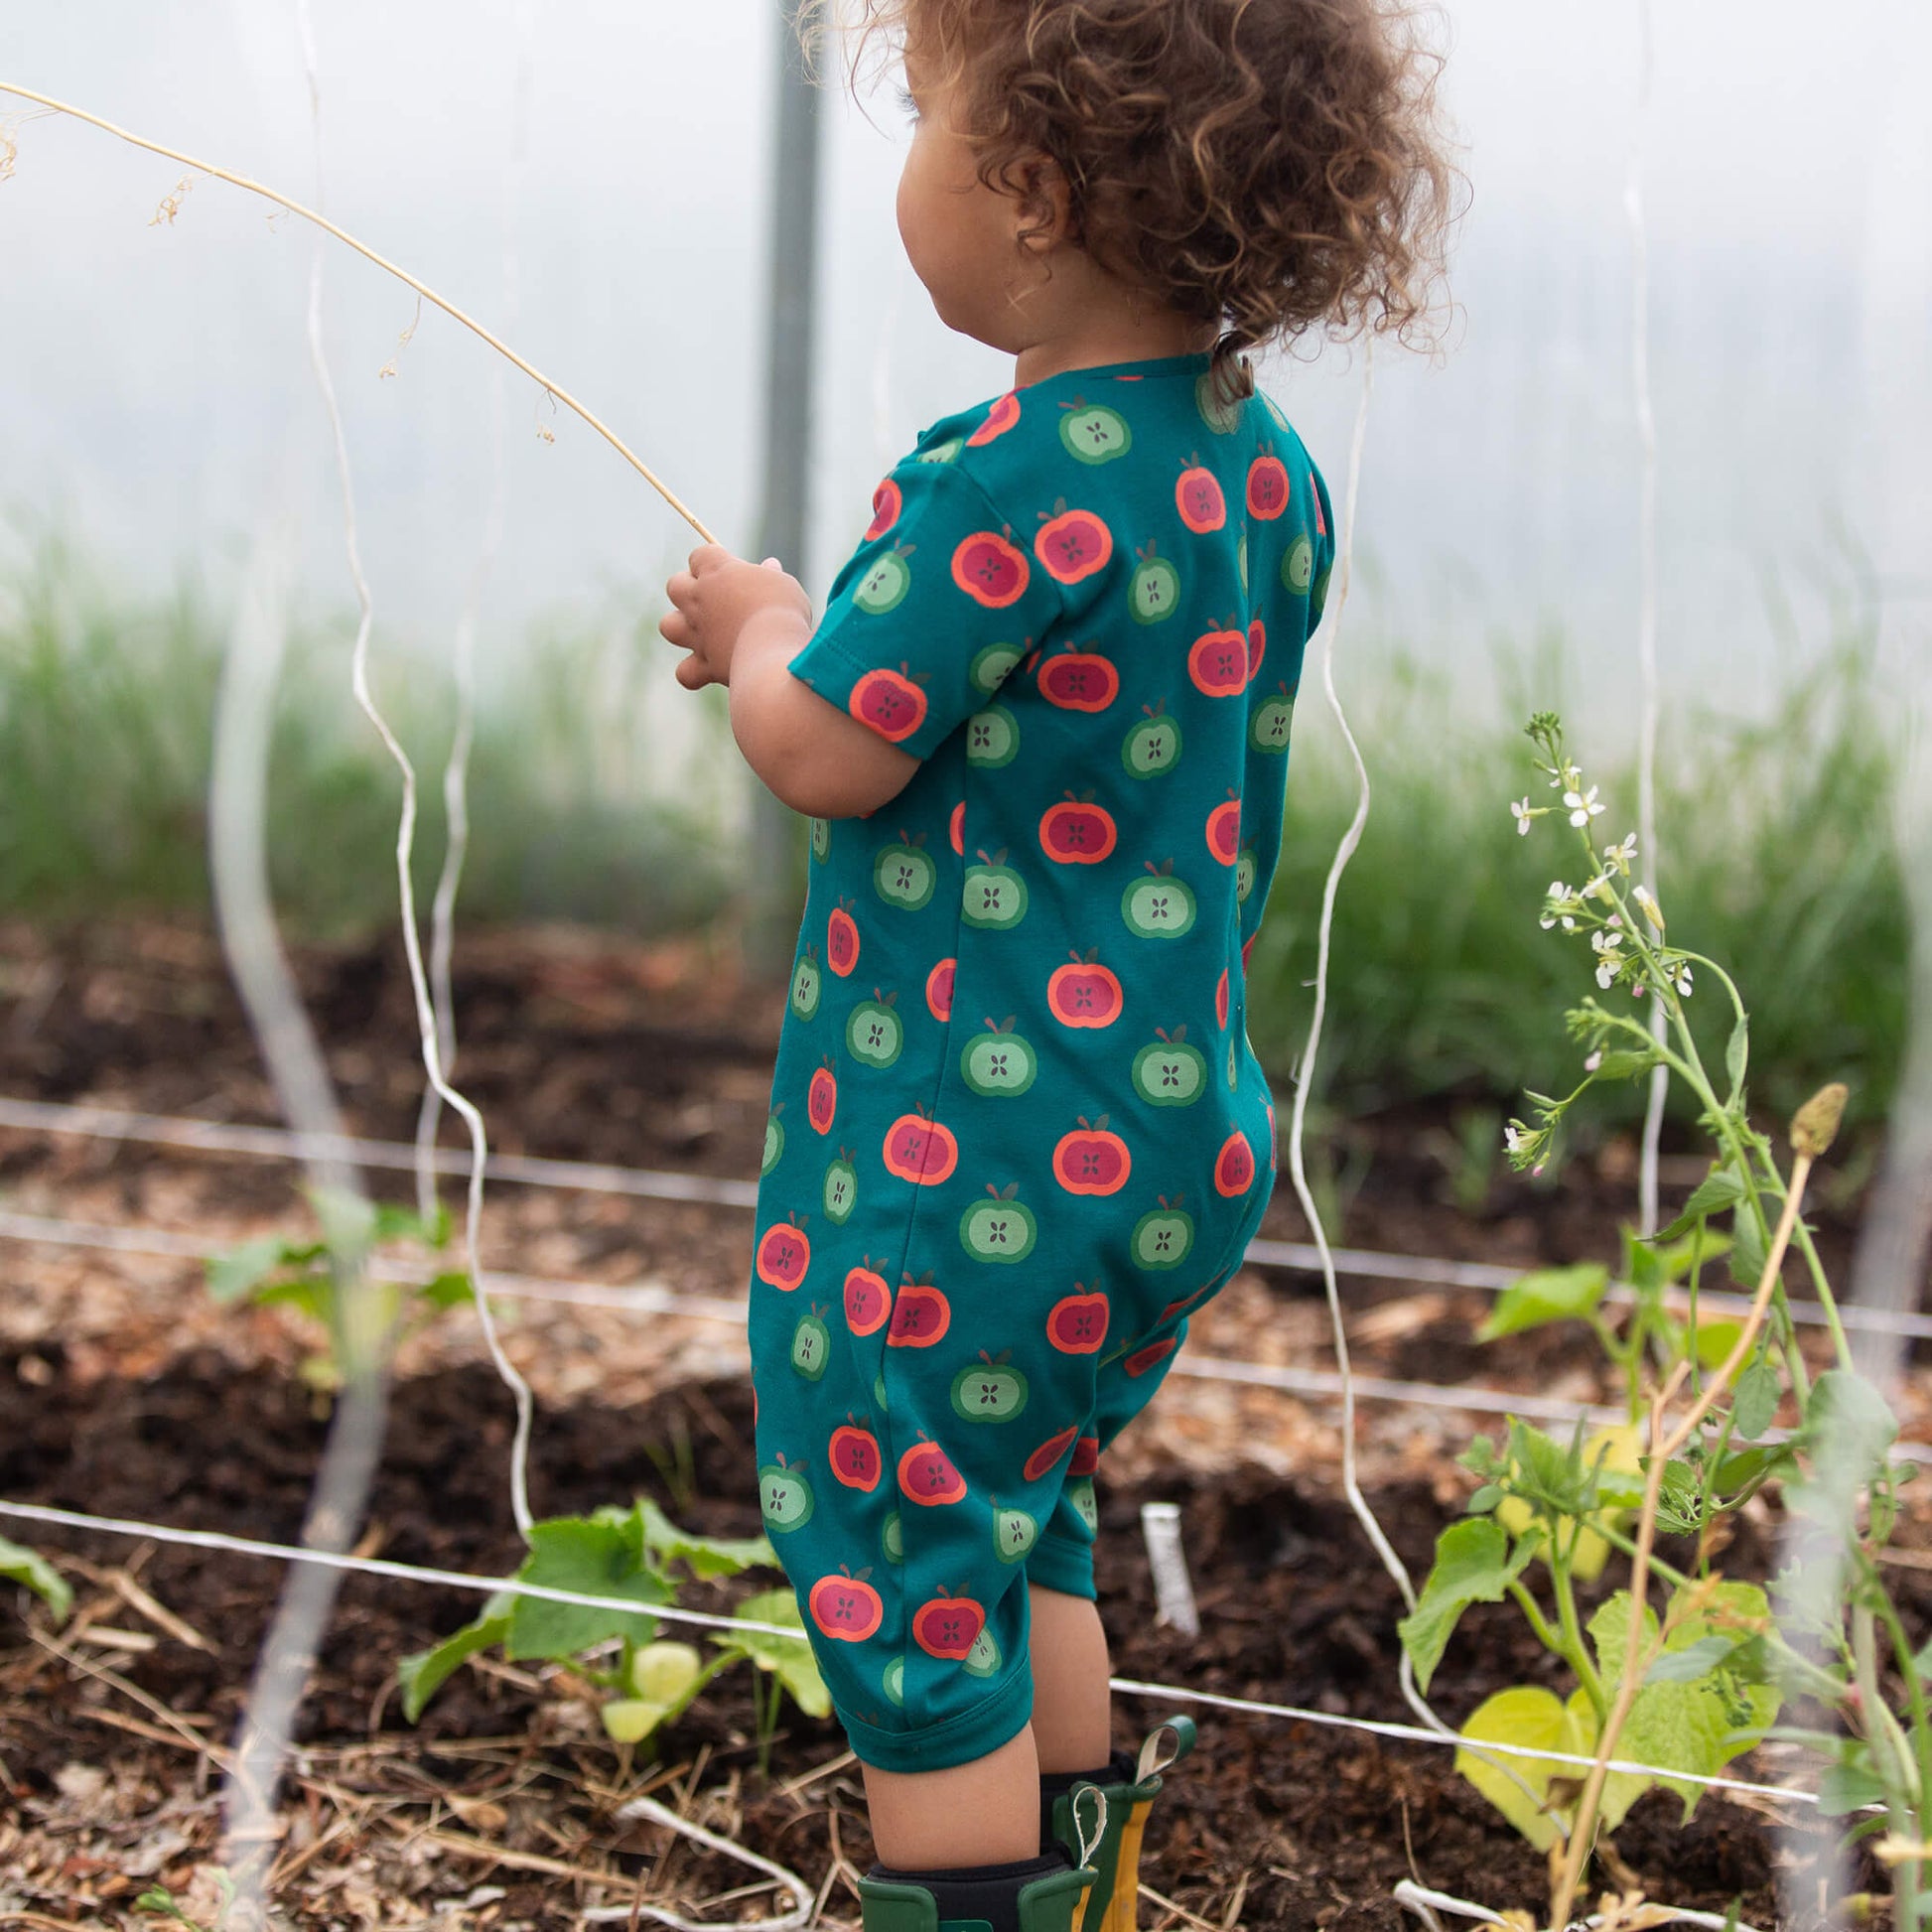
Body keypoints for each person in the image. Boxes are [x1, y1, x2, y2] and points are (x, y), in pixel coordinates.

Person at [660, 4, 1449, 1926]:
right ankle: (1080, 1884)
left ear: (1027, 190)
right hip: (1160, 1139)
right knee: (1018, 1517)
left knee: (898, 1556)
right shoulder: (1254, 471)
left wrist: (762, 623)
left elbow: (825, 742)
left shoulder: (1001, 483)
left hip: (970, 1150)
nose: (908, 155)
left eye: (927, 114)